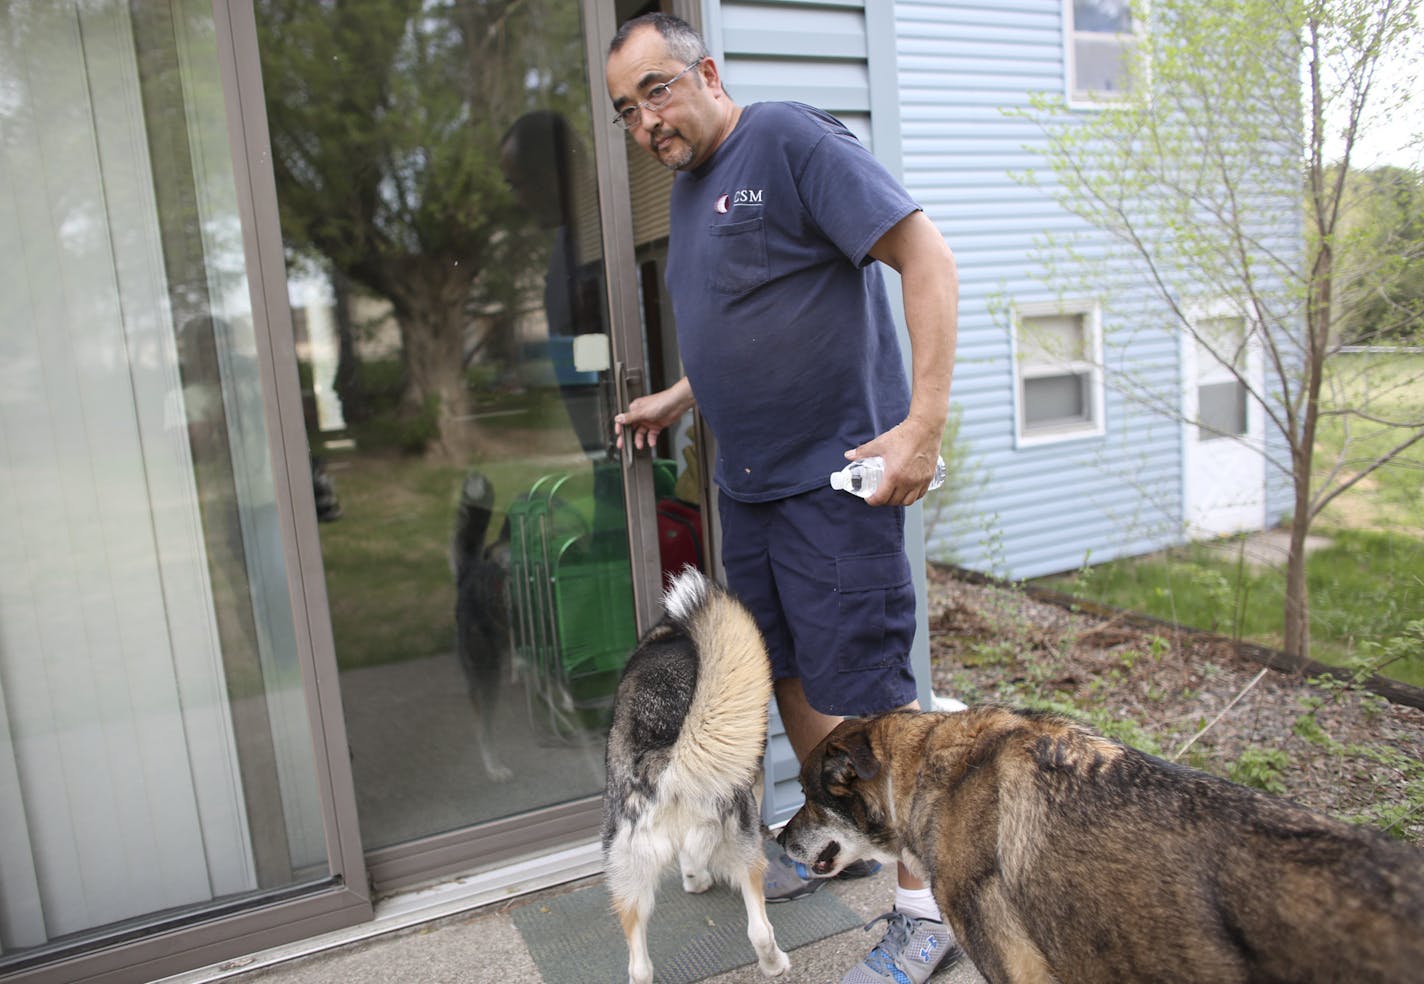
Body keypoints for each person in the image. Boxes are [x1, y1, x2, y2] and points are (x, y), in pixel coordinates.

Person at [605, 14, 960, 984]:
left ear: (706, 73)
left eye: (656, 93)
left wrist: (921, 426)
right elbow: (742, 312)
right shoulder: (686, 192)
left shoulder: (790, 142)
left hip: (832, 488)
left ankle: (929, 910)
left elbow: (926, 257)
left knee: (876, 704)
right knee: (789, 677)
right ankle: (841, 833)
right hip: (749, 492)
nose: (644, 122)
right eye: (624, 112)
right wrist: (682, 393)